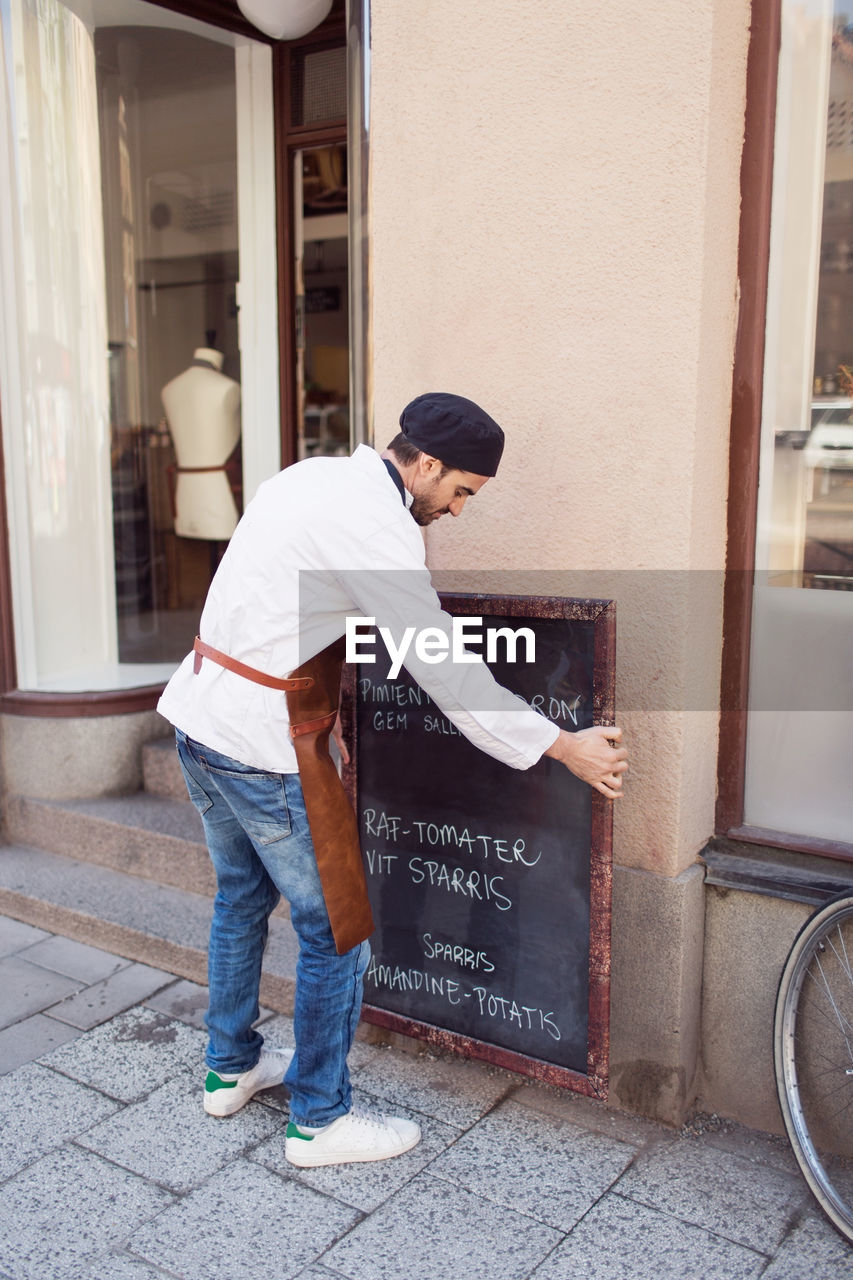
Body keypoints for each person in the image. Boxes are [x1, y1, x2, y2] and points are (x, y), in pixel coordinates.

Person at [157, 392, 628, 1169]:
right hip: (261, 746)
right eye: (461, 491)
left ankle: (230, 1067)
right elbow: (444, 669)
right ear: (428, 465)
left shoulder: (311, 477)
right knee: (338, 936)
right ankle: (318, 1120)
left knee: (241, 899)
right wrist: (560, 746)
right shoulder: (376, 530)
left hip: (198, 720)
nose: (459, 508)